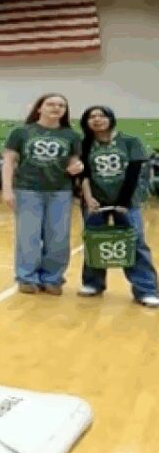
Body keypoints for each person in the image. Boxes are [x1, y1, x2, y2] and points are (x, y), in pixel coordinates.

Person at [76, 105, 158, 307]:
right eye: (91, 116)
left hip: (126, 202)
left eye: (101, 115)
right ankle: (93, 283)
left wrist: (123, 202)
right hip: (95, 202)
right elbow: (83, 174)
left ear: (111, 118)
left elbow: (134, 174)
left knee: (135, 243)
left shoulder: (130, 141)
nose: (96, 119)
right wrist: (88, 198)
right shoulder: (84, 145)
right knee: (95, 241)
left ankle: (146, 289)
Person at [2, 94, 84, 295]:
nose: (56, 108)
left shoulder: (71, 136)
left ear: (65, 111)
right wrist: (7, 189)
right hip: (27, 190)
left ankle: (52, 278)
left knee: (58, 237)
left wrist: (77, 166)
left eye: (61, 105)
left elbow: (75, 162)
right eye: (51, 104)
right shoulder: (21, 132)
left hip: (60, 191)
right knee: (28, 236)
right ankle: (26, 277)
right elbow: (9, 161)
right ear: (39, 108)